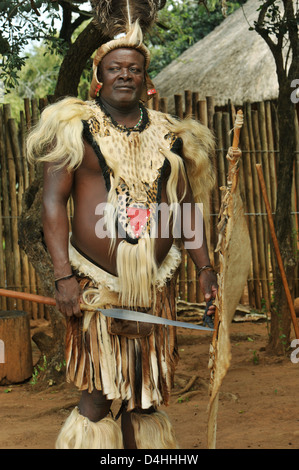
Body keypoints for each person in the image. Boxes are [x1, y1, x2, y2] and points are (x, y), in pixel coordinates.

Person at [27, 22, 217, 449]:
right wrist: (63, 276)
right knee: (97, 394)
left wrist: (205, 267)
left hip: (155, 284)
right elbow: (54, 203)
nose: (125, 74)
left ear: (146, 79)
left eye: (134, 68)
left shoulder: (171, 134)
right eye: (115, 68)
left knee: (145, 395)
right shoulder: (75, 127)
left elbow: (185, 207)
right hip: (97, 282)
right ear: (99, 78)